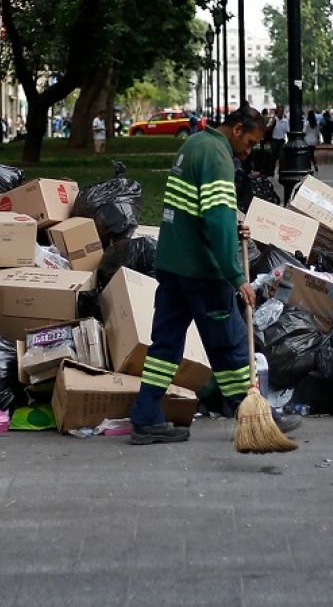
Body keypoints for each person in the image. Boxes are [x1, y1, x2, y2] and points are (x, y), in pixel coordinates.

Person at [128, 107, 301, 445]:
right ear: (237, 129)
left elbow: (196, 209)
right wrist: (237, 276)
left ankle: (146, 416)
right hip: (202, 270)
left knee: (165, 345)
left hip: (173, 262)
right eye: (249, 142)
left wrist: (232, 223)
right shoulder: (218, 157)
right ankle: (251, 413)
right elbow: (217, 220)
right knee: (230, 343)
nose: (249, 151)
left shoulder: (193, 144)